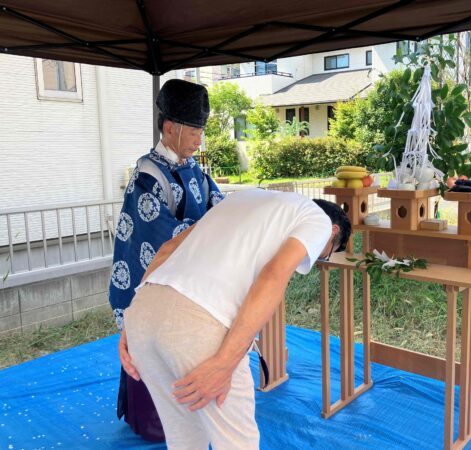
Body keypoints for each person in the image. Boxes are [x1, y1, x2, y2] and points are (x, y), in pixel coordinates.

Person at [119, 189, 351, 449]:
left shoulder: (243, 197)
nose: (320, 257)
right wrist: (224, 362)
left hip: (142, 311)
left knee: (184, 438)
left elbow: (167, 248)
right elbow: (273, 275)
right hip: (197, 323)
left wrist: (131, 319)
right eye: (327, 253)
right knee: (237, 442)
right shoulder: (318, 220)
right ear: (332, 232)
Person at [109, 79, 225, 442]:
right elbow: (159, 237)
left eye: (202, 130)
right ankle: (151, 422)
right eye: (194, 130)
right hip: (152, 286)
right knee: (153, 356)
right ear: (170, 127)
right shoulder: (147, 176)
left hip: (187, 285)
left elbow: (220, 208)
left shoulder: (194, 170)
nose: (199, 139)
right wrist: (209, 231)